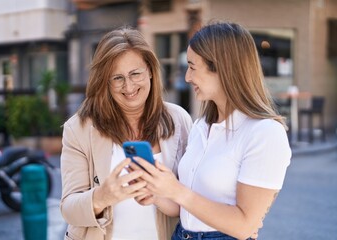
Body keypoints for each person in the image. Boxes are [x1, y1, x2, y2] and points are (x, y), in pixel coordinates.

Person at [132, 21, 292, 240]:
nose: (187, 77)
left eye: (192, 66)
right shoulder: (201, 126)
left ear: (221, 68)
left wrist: (177, 190)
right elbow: (187, 210)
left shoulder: (264, 133)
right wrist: (157, 193)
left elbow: (244, 226)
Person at [59, 26, 193, 240]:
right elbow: (69, 209)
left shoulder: (179, 120)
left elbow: (192, 200)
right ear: (105, 81)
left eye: (135, 74)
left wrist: (159, 193)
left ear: (150, 70)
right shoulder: (79, 129)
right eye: (117, 78)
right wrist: (101, 197)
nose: (128, 86)